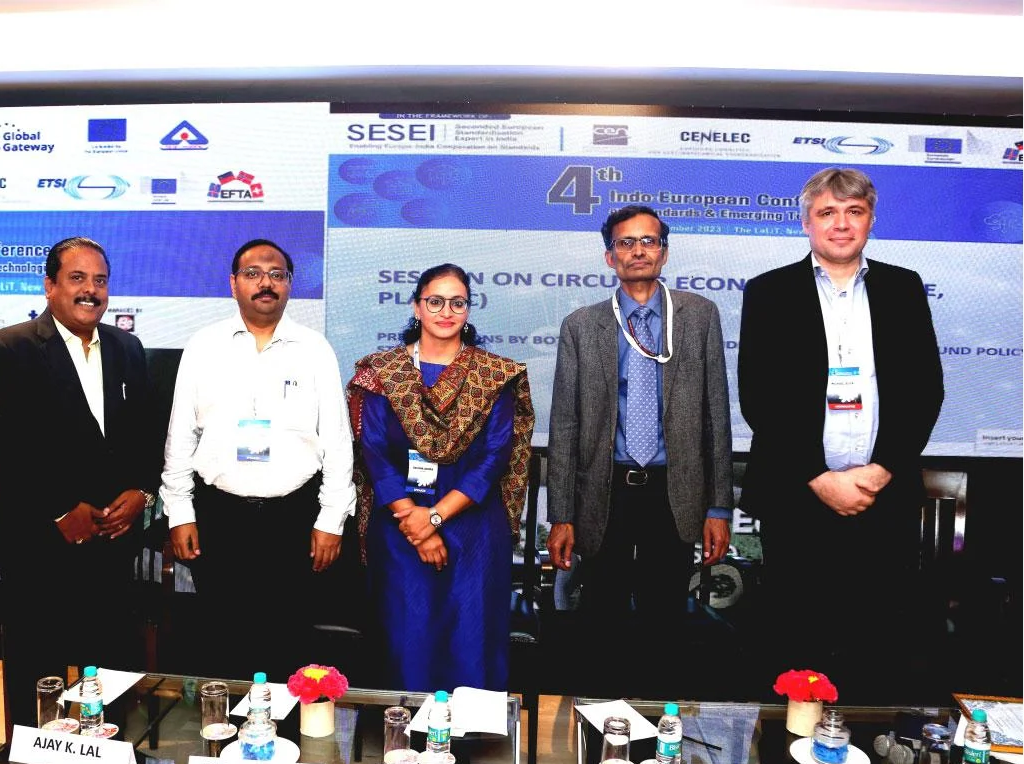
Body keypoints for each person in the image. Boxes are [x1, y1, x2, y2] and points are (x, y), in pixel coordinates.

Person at [738, 168, 943, 690]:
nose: (841, 224)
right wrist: (819, 476)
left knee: (877, 643)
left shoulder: (902, 287)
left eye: (854, 212)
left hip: (882, 497)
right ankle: (792, 739)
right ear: (806, 223)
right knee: (794, 644)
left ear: (870, 220)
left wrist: (881, 470)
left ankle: (868, 742)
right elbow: (760, 397)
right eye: (827, 212)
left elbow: (924, 390)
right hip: (798, 497)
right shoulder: (769, 291)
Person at [0, 236, 161, 740]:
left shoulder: (127, 348)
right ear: (50, 285)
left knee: (112, 665)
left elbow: (147, 432)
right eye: (77, 278)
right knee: (38, 666)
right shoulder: (9, 347)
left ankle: (112, 754)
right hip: (39, 540)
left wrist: (141, 492)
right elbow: (2, 440)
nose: (90, 291)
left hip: (113, 540)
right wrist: (60, 509)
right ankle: (34, 761)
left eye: (100, 281)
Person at [546, 205, 732, 687]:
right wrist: (561, 515)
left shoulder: (698, 316)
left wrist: (719, 508)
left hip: (674, 492)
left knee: (664, 620)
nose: (638, 251)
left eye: (648, 241)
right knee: (600, 617)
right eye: (626, 243)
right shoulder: (581, 325)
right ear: (610, 257)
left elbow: (715, 415)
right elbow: (564, 425)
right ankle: (600, 726)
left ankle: (658, 729)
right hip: (605, 492)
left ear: (664, 252)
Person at [160, 238, 356, 681]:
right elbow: (181, 435)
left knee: (289, 642)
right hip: (219, 517)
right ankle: (226, 724)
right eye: (253, 274)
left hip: (294, 518)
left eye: (276, 274)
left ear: (290, 285)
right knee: (223, 641)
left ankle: (284, 726)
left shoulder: (314, 349)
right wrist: (180, 512)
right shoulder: (204, 346)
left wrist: (331, 519)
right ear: (233, 284)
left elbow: (338, 440)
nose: (265, 283)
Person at [347, 264, 535, 692]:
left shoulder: (494, 375)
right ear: (417, 307)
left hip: (473, 528)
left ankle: (470, 730)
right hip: (399, 526)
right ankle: (399, 728)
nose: (446, 311)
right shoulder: (382, 372)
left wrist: (433, 518)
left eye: (457, 302)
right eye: (435, 301)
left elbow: (495, 456)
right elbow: (373, 451)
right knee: (405, 641)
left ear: (468, 310)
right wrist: (414, 520)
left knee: (471, 643)